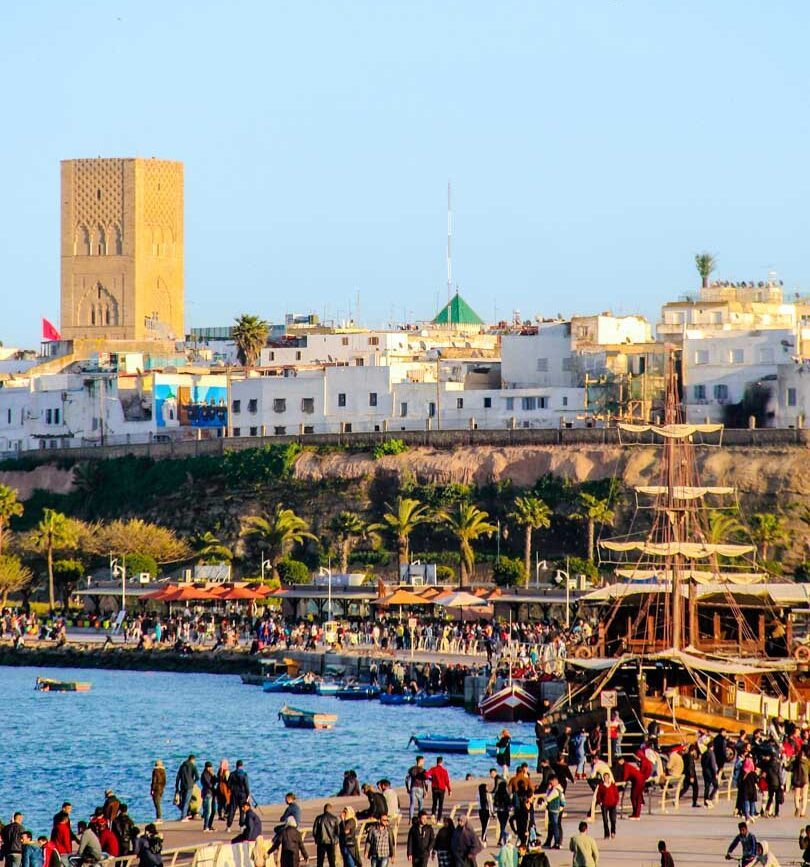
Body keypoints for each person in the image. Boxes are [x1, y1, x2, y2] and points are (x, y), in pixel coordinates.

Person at [175, 755, 199, 822]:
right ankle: (183, 816)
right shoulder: (193, 766)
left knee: (183, 801)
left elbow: (178, 777)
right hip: (189, 786)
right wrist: (193, 782)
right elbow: (197, 777)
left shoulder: (182, 766)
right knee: (187, 801)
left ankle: (185, 814)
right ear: (193, 760)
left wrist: (176, 786)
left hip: (182, 785)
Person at [228, 760, 251, 831]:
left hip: (234, 794)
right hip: (242, 794)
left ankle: (229, 826)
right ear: (242, 766)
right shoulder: (244, 774)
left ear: (236, 766)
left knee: (232, 810)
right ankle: (241, 826)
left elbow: (228, 784)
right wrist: (248, 794)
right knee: (242, 810)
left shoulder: (232, 774)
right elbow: (246, 785)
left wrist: (232, 789)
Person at [595, 771, 618, 840]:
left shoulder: (613, 785)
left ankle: (613, 832)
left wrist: (615, 802)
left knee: (613, 820)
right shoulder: (601, 786)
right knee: (605, 820)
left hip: (612, 804)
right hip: (605, 805)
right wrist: (600, 802)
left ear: (609, 778)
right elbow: (598, 795)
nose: (606, 778)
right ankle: (607, 834)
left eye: (607, 777)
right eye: (605, 777)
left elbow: (616, 795)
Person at [201, 762, 217, 832]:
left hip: (212, 793)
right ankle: (206, 826)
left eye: (211, 767)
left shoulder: (211, 774)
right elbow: (208, 784)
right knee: (208, 811)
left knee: (214, 810)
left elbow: (216, 780)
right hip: (207, 793)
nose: (210, 769)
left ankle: (210, 825)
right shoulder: (204, 774)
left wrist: (213, 775)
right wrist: (212, 786)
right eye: (208, 767)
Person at [701, 743, 718, 808]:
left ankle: (705, 801)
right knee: (716, 786)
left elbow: (702, 763)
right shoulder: (711, 753)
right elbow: (713, 765)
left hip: (705, 772)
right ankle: (709, 799)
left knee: (707, 787)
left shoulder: (704, 753)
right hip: (711, 773)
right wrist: (715, 773)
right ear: (712, 747)